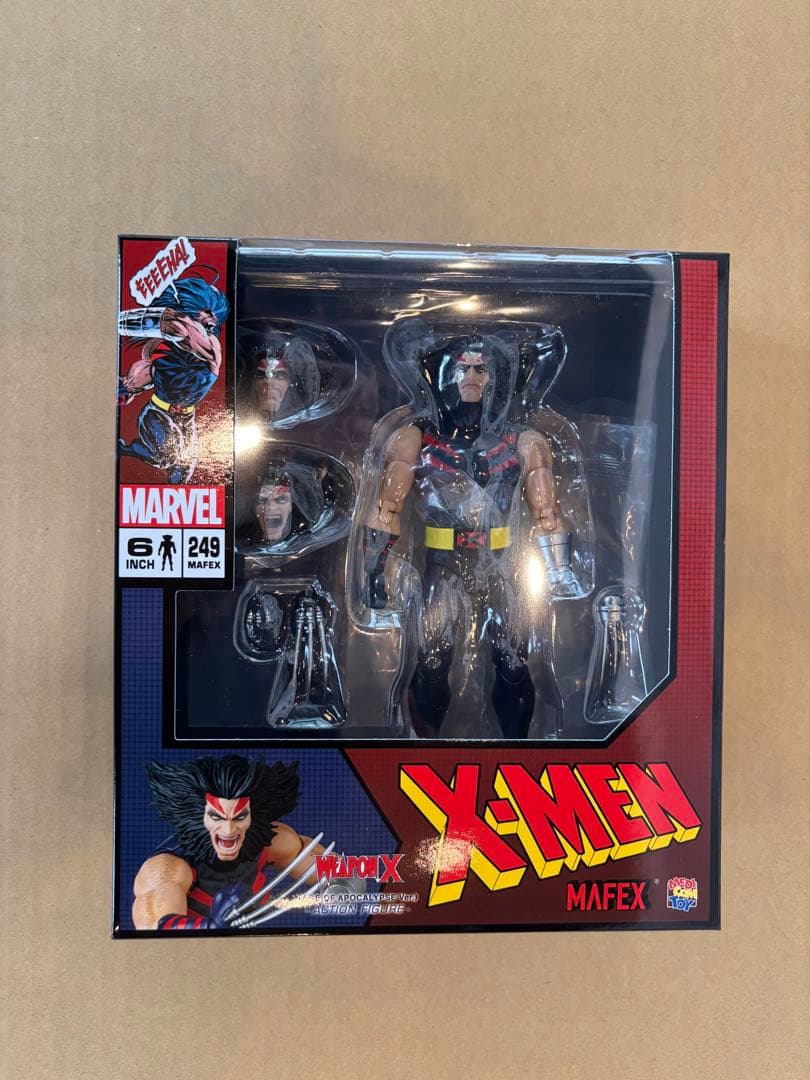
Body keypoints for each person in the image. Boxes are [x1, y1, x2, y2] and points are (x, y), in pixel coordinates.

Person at [361, 333, 577, 738]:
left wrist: (558, 570)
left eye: (481, 369)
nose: (473, 377)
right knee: (432, 660)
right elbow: (386, 506)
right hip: (442, 563)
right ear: (446, 375)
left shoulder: (523, 441)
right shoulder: (416, 438)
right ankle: (422, 746)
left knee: (513, 662)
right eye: (463, 368)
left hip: (500, 563)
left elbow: (548, 514)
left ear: (495, 378)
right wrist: (374, 569)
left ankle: (519, 750)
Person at [132, 755, 322, 930]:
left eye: (239, 817)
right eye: (217, 817)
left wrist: (339, 877)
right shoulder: (170, 867)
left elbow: (335, 871)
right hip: (189, 952)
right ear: (200, 817)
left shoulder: (273, 841)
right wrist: (210, 926)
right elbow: (153, 926)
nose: (229, 830)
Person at [118, 275, 229, 482]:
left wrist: (184, 324)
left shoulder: (211, 348)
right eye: (199, 319)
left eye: (207, 324)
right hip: (157, 413)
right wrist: (128, 389)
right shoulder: (161, 349)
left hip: (187, 417)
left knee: (183, 472)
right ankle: (126, 449)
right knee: (167, 457)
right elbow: (144, 375)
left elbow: (200, 342)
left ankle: (129, 450)